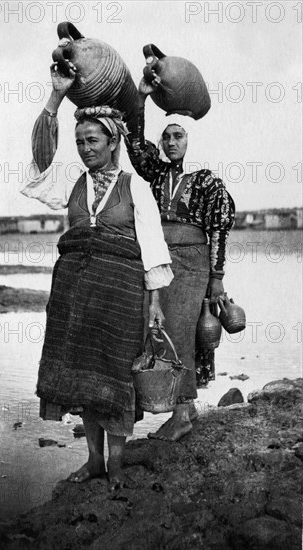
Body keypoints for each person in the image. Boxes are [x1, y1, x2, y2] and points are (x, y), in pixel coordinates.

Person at [20, 62, 173, 490]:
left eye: (93, 141)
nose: (85, 149)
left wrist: (156, 304)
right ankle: (93, 460)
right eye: (80, 142)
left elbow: (154, 245)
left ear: (112, 142)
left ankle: (118, 465)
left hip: (121, 295)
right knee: (84, 375)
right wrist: (55, 97)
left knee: (116, 375)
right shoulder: (73, 184)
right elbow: (38, 163)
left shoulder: (135, 185)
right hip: (74, 295)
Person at [125, 73, 235, 442]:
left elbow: (219, 228)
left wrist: (216, 278)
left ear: (192, 139)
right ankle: (156, 399)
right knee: (151, 327)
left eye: (179, 136)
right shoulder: (157, 175)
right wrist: (140, 100)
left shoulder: (207, 182)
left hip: (192, 265)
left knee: (183, 333)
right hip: (159, 260)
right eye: (167, 136)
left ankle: (184, 412)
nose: (171, 142)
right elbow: (135, 143)